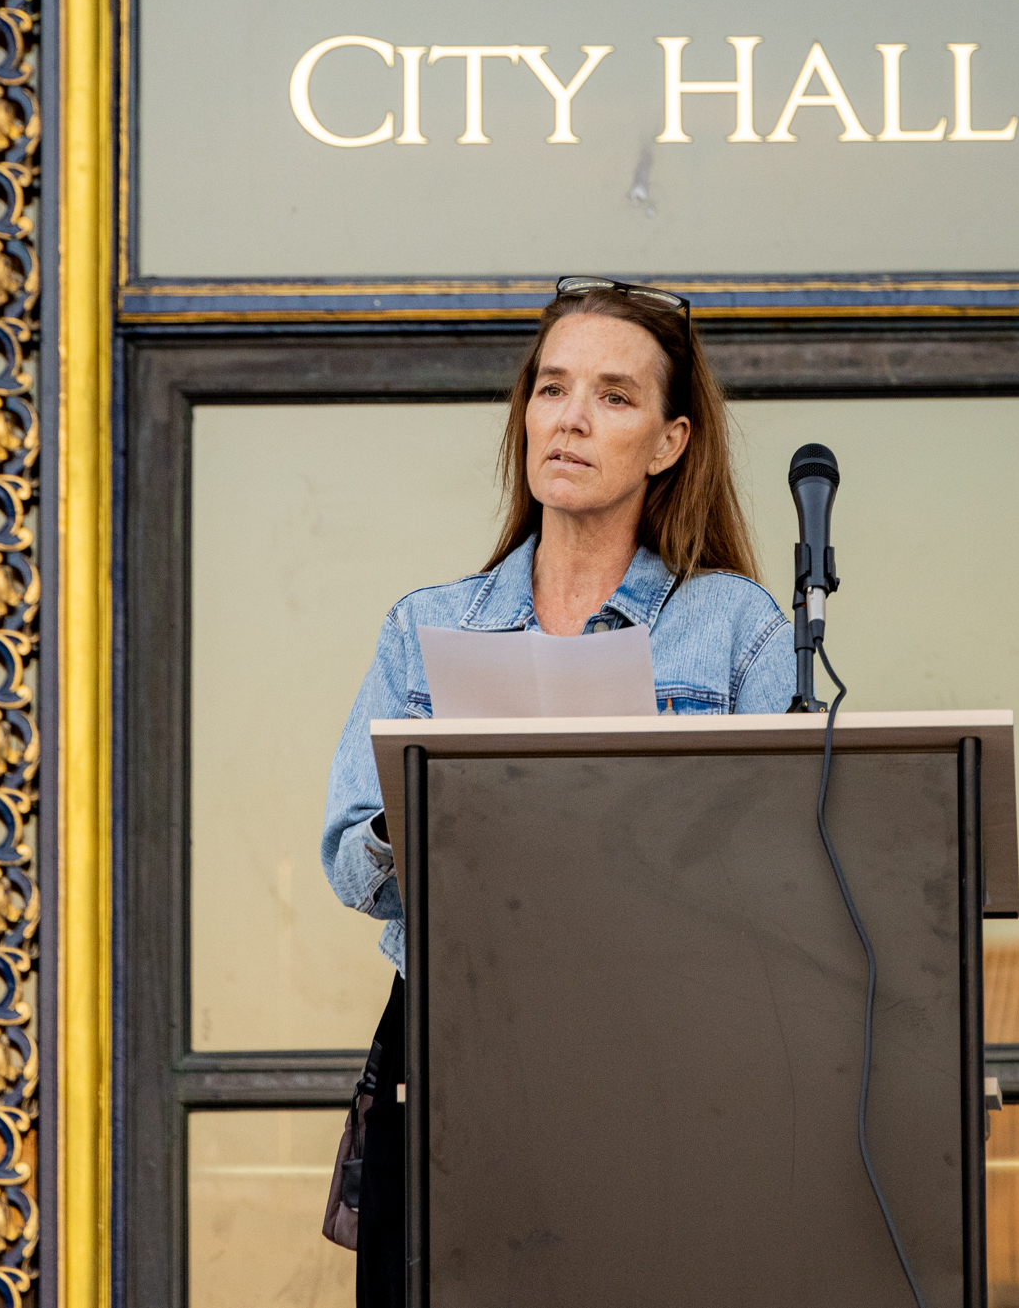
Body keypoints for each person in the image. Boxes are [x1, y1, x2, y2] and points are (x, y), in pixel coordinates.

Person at [315, 276, 794, 1304]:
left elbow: (789, 876)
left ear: (669, 443)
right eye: (552, 388)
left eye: (614, 397)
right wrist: (430, 802)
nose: (570, 418)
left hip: (663, 1059)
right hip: (455, 1049)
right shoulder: (426, 627)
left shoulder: (738, 628)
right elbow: (354, 865)